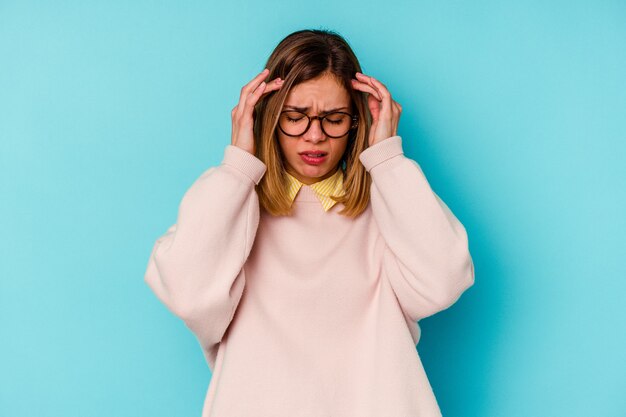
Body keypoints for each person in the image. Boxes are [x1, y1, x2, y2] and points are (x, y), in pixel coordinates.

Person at [144, 28, 475, 417]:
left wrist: (387, 159)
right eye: (295, 117)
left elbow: (445, 279)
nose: (315, 136)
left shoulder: (389, 207)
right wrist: (236, 166)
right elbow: (186, 291)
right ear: (265, 116)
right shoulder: (232, 210)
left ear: (357, 122)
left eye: (334, 118)